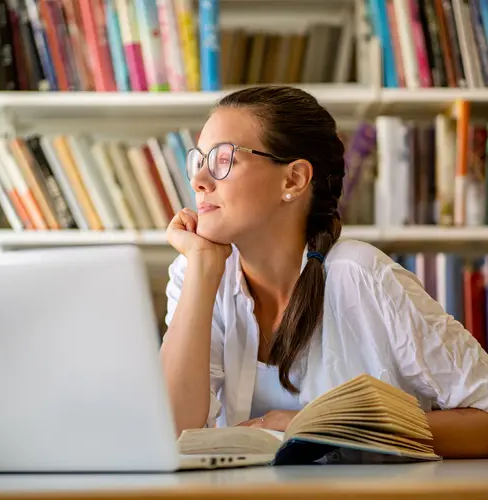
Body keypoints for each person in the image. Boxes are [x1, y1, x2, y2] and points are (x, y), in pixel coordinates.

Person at [160, 85, 488, 459]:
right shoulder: (197, 273)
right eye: (198, 160)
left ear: (294, 180)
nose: (199, 179)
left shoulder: (362, 275)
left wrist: (317, 429)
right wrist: (202, 268)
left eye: (223, 159)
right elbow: (170, 433)